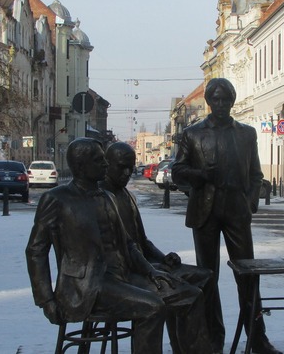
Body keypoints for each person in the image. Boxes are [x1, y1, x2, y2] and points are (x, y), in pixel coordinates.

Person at [25, 138, 174, 354]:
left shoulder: (107, 197)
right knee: (153, 307)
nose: (106, 165)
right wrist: (46, 300)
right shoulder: (56, 199)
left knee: (179, 289)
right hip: (85, 288)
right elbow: (35, 251)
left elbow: (128, 243)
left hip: (120, 278)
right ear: (81, 166)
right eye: (99, 160)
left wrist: (151, 271)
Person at [172, 78, 281, 354]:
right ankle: (211, 337)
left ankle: (257, 337)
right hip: (205, 212)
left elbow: (256, 175)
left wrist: (250, 202)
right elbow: (178, 171)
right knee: (208, 276)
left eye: (225, 100)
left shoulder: (246, 134)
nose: (220, 104)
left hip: (236, 210)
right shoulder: (193, 134)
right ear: (209, 102)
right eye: (216, 99)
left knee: (248, 275)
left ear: (232, 101)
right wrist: (200, 176)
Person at [99, 141, 213, 354]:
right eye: (121, 167)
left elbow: (142, 241)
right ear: (107, 164)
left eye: (130, 168)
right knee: (188, 294)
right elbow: (121, 249)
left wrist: (163, 259)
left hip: (145, 263)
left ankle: (184, 346)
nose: (126, 173)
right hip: (125, 272)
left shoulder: (126, 196)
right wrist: (153, 270)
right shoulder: (100, 199)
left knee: (203, 276)